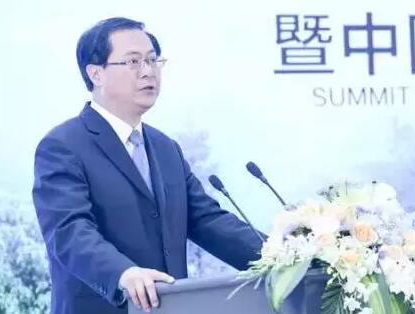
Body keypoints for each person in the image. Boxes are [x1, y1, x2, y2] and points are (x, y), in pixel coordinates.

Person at [32, 17, 263, 314]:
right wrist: (123, 273)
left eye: (153, 60)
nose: (148, 71)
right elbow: (69, 231)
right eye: (133, 61)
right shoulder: (63, 145)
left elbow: (207, 220)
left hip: (170, 307)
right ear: (96, 73)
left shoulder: (166, 148)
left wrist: (286, 256)